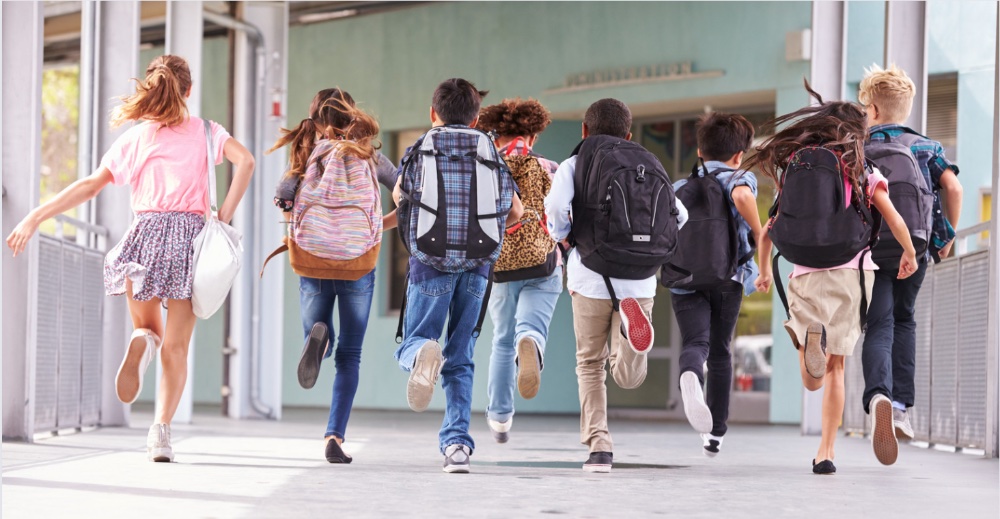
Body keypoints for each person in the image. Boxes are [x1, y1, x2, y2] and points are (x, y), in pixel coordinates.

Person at [6, 55, 255, 462]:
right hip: (189, 242)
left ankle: (141, 341)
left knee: (149, 331)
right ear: (188, 91)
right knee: (176, 348)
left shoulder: (138, 138)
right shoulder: (207, 132)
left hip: (143, 237)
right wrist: (222, 215)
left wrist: (36, 215)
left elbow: (89, 186)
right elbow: (245, 161)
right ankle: (161, 433)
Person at [750, 83, 918, 475]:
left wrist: (761, 272)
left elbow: (767, 232)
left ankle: (812, 346)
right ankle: (829, 450)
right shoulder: (861, 167)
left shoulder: (796, 165)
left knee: (813, 379)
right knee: (837, 368)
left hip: (804, 273)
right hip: (851, 272)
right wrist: (908, 252)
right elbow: (893, 217)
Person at [545, 98, 688, 473]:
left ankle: (599, 446)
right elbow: (680, 215)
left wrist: (562, 236)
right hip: (640, 282)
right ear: (629, 133)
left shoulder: (575, 163)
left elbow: (556, 207)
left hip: (590, 276)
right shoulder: (647, 162)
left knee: (590, 364)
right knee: (628, 376)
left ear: (584, 131)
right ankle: (631, 339)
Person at [391, 78, 522, 473]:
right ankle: (457, 448)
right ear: (477, 116)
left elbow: (400, 198)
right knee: (461, 356)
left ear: (433, 114)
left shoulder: (421, 148)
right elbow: (514, 211)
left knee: (413, 341)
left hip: (429, 262)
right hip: (479, 266)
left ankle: (421, 355)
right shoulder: (490, 150)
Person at [268, 88, 391, 464]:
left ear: (317, 122)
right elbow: (406, 192)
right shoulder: (369, 153)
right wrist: (377, 228)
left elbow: (285, 196)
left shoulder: (306, 154)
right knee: (350, 356)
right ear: (351, 117)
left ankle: (318, 338)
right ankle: (335, 435)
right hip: (358, 262)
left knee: (317, 330)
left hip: (314, 259)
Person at [857, 64, 963, 442]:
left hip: (869, 248)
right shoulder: (926, 146)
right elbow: (953, 188)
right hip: (914, 248)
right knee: (904, 320)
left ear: (871, 109)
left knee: (878, 323)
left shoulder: (859, 148)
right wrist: (946, 235)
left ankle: (879, 396)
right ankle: (900, 410)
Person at [668, 112, 761, 458]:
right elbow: (741, 198)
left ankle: (691, 372)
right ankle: (715, 434)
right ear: (739, 155)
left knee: (696, 343)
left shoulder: (678, 187)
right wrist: (760, 230)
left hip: (685, 277)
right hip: (728, 277)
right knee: (721, 351)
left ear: (699, 151)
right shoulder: (741, 177)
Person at [475, 98, 563, 444]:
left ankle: (499, 417)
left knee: (501, 340)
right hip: (542, 262)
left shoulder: (487, 167)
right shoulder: (548, 167)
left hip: (499, 267)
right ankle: (532, 342)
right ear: (534, 134)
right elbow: (561, 217)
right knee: (530, 328)